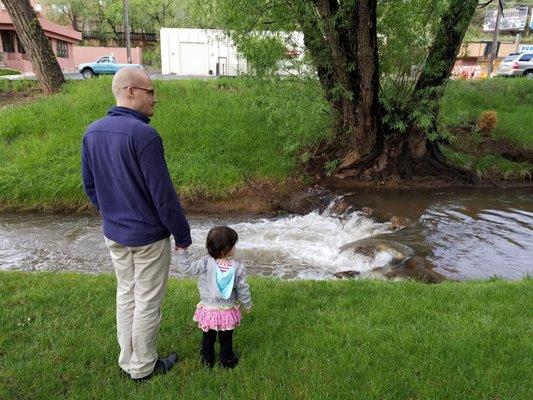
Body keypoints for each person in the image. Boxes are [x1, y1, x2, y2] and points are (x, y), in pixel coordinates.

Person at [81, 67, 191, 381]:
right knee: (146, 301)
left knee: (126, 294)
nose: (155, 98)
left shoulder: (92, 132)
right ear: (131, 91)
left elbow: (90, 186)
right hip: (147, 237)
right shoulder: (144, 135)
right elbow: (163, 195)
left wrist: (112, 213)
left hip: (114, 233)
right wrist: (181, 235)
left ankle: (127, 359)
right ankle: (142, 367)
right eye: (150, 92)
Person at [176, 226, 252, 368]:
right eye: (234, 244)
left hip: (208, 309)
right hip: (227, 310)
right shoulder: (238, 268)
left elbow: (187, 269)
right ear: (227, 248)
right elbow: (243, 288)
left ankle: (207, 360)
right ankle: (227, 361)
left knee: (208, 337)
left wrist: (181, 252)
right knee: (226, 338)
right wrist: (247, 304)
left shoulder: (205, 262)